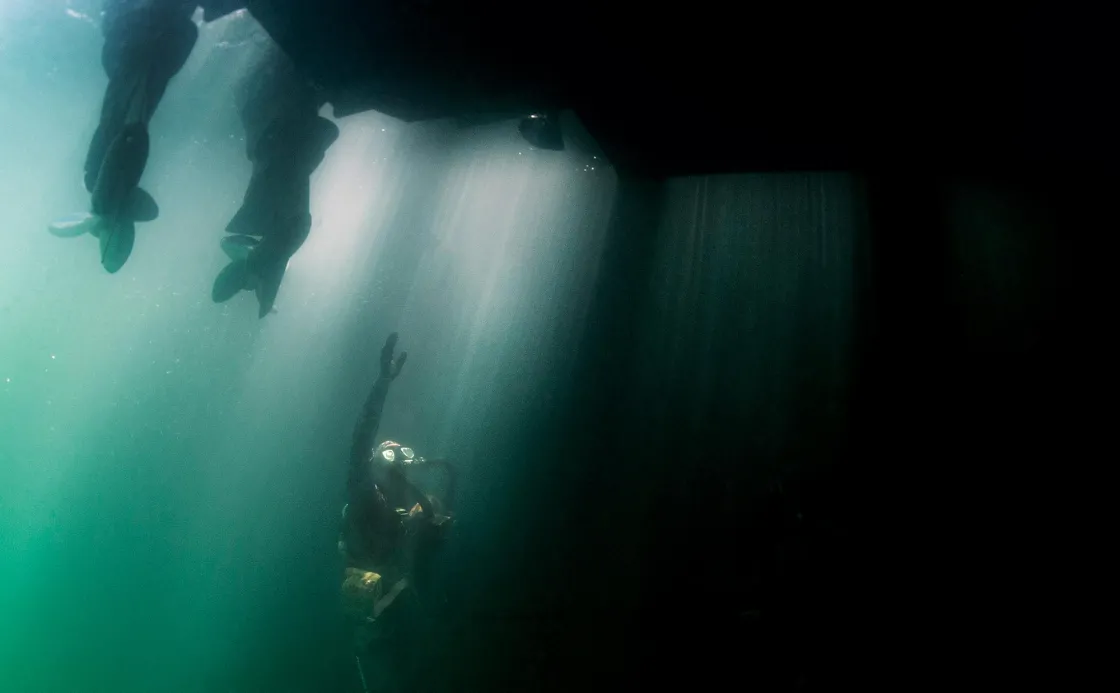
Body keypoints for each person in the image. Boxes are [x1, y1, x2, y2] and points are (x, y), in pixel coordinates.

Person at [339, 333, 457, 693]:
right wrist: (383, 381)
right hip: (376, 618)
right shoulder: (364, 492)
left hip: (391, 619)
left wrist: (431, 518)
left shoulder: (403, 510)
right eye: (387, 451)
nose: (394, 455)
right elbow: (362, 435)